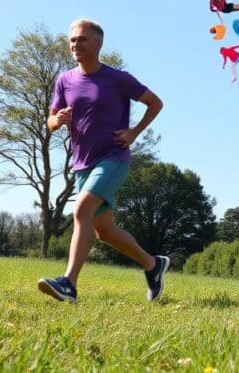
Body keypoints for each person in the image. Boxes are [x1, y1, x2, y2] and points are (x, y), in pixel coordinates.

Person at [38, 19, 167, 303]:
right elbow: (49, 121)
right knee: (104, 231)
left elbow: (155, 102)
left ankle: (69, 283)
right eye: (72, 40)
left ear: (98, 43)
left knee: (81, 210)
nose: (75, 44)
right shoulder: (64, 80)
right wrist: (56, 120)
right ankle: (153, 264)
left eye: (82, 39)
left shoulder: (118, 79)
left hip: (114, 157)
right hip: (82, 162)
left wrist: (134, 133)